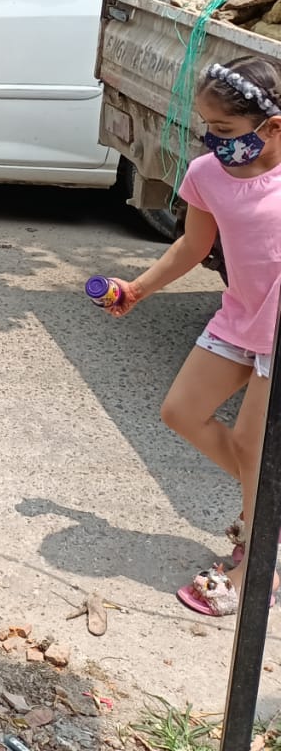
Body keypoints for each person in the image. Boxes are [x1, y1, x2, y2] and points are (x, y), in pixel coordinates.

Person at [103, 56, 281, 617]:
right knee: (181, 411)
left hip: (279, 325)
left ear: (272, 127)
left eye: (225, 129)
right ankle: (267, 504)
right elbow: (192, 245)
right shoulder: (207, 173)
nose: (213, 140)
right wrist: (138, 288)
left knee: (253, 444)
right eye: (207, 126)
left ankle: (255, 563)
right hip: (240, 314)